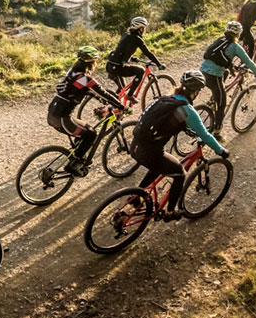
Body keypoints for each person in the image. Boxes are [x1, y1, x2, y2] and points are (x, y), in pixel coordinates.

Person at [128, 71, 228, 221]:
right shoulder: (187, 110)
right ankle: (170, 212)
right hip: (150, 152)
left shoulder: (165, 99)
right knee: (180, 173)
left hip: (135, 145)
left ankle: (136, 196)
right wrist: (221, 151)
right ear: (195, 91)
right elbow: (205, 135)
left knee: (158, 166)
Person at [47, 47, 127, 176]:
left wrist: (98, 97)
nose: (96, 64)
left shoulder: (72, 72)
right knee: (91, 134)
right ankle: (74, 164)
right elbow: (103, 92)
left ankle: (77, 156)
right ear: (91, 62)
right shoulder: (86, 79)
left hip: (53, 113)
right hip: (63, 119)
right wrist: (120, 106)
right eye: (95, 61)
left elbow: (82, 89)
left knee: (83, 130)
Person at [200, 22, 256, 134]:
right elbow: (248, 62)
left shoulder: (220, 40)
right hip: (213, 77)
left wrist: (231, 66)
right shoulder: (235, 47)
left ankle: (214, 98)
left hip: (202, 72)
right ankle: (217, 131)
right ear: (238, 34)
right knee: (222, 104)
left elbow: (221, 57)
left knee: (224, 75)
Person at [104, 16, 165, 93]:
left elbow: (122, 50)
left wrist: (130, 58)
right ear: (140, 28)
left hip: (111, 65)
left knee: (122, 89)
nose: (144, 30)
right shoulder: (136, 39)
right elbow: (148, 53)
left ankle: (114, 104)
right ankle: (130, 95)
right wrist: (158, 64)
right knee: (141, 71)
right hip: (117, 67)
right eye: (143, 28)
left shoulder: (126, 35)